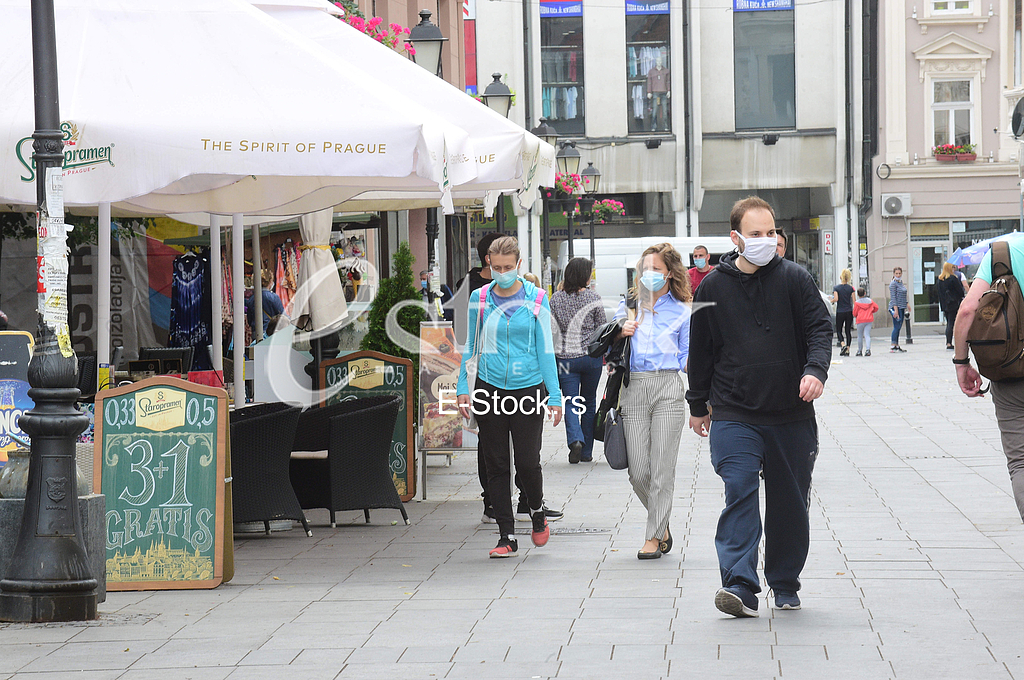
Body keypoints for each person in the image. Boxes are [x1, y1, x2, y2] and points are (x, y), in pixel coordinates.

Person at [687, 196, 832, 617]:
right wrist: (697, 403)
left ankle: (784, 581)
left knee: (790, 502)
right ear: (735, 238)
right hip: (734, 411)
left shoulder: (796, 279)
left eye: (771, 232)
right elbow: (701, 350)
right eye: (756, 234)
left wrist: (815, 371)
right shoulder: (712, 287)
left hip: (791, 412)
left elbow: (820, 329)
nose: (766, 240)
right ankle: (740, 585)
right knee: (739, 489)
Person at [456, 236, 564, 558]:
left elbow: (545, 349)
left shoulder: (537, 298)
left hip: (528, 387)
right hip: (489, 387)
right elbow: (470, 346)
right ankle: (506, 535)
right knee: (496, 463)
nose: (502, 272)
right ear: (488, 263)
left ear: (518, 264)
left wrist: (555, 395)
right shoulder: (479, 298)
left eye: (508, 267)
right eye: (497, 267)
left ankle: (536, 510)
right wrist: (463, 388)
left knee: (528, 462)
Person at [615, 243, 692, 559]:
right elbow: (609, 344)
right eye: (644, 269)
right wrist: (620, 331)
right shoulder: (629, 305)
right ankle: (662, 524)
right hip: (634, 388)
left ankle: (652, 537)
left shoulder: (683, 310)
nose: (649, 274)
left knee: (662, 468)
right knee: (637, 472)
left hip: (668, 387)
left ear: (669, 273)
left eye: (656, 269)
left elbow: (687, 355)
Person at [953, 237, 1024, 524]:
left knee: (1020, 461)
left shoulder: (1003, 251)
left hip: (1012, 373)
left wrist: (961, 363)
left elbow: (968, 309)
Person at [551, 257, 607, 464]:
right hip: (591, 358)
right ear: (584, 275)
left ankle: (575, 440)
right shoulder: (593, 298)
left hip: (566, 358)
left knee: (571, 401)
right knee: (589, 402)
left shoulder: (556, 299)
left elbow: (552, 330)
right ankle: (587, 452)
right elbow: (602, 328)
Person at [246, 269, 284, 337]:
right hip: (271, 332)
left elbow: (250, 319)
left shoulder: (252, 299)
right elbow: (282, 316)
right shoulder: (273, 297)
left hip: (256, 333)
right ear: (270, 281)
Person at [937, 262, 965, 350]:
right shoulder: (953, 278)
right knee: (953, 323)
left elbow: (939, 293)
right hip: (953, 303)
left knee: (949, 322)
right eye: (953, 267)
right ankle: (954, 342)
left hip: (945, 304)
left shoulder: (940, 279)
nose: (954, 269)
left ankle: (948, 341)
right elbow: (960, 291)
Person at [831, 269, 855, 356]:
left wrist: (830, 300)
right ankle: (847, 349)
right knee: (848, 331)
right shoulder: (851, 288)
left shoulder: (836, 288)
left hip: (840, 311)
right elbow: (854, 301)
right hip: (849, 311)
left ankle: (843, 344)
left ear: (841, 277)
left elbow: (836, 299)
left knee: (839, 330)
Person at [888, 267, 909, 353]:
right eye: (896, 273)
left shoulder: (900, 282)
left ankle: (896, 344)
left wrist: (907, 304)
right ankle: (893, 344)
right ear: (894, 274)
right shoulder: (893, 284)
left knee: (899, 326)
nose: (898, 275)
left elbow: (903, 295)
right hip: (896, 307)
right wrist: (895, 310)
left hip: (902, 306)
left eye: (899, 273)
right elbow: (893, 298)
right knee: (896, 326)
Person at [853, 287, 878, 356]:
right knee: (867, 335)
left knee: (860, 336)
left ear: (857, 294)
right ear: (865, 293)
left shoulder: (857, 303)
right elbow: (876, 307)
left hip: (860, 320)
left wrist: (856, 315)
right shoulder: (870, 301)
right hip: (869, 319)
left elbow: (854, 313)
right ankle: (868, 350)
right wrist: (871, 311)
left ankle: (859, 350)